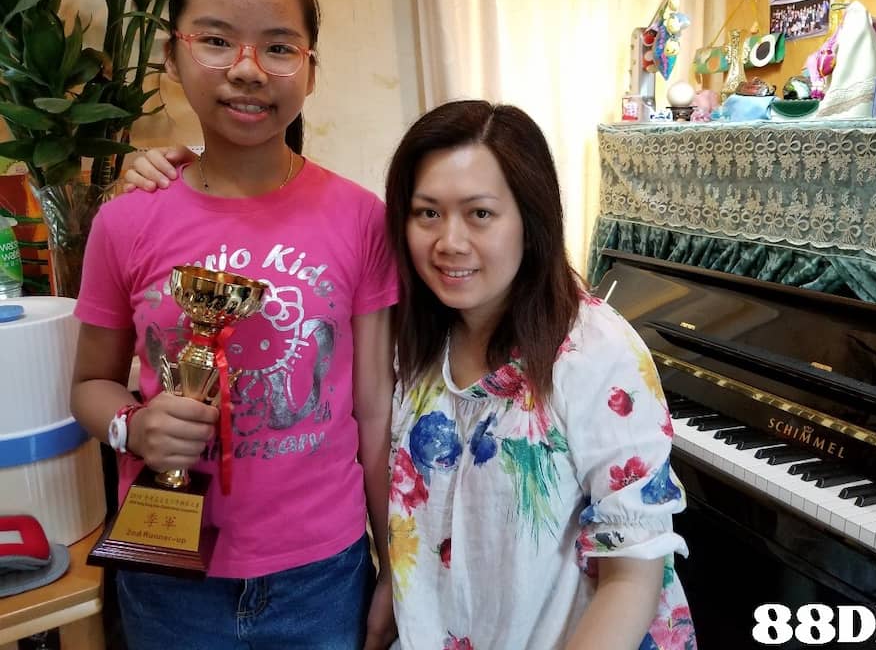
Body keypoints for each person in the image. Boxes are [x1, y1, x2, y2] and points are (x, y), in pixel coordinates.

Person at [124, 101, 698, 649]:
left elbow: (633, 574)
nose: (450, 243)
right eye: (428, 213)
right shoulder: (416, 338)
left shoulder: (595, 351)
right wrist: (196, 173)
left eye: (480, 214)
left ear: (532, 218)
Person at [71, 0, 397, 650]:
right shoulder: (126, 220)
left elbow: (374, 413)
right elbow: (90, 385)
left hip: (322, 574)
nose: (248, 70)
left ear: (310, 70)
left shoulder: (360, 219)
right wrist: (133, 427)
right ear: (172, 54)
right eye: (217, 40)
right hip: (167, 573)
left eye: (279, 47)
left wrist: (392, 567)